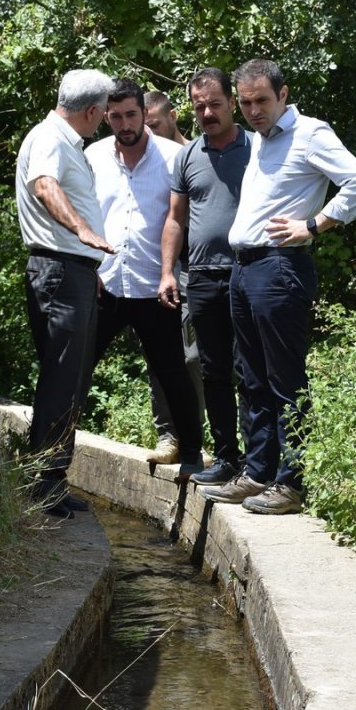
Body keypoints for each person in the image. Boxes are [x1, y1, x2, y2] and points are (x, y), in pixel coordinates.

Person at [202, 59, 356, 514]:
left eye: (262, 100)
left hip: (279, 269)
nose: (254, 110)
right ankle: (258, 473)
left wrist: (314, 225)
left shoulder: (311, 133)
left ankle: (292, 484)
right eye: (245, 102)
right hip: (245, 270)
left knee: (285, 381)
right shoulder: (261, 139)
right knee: (252, 377)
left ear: (283, 94)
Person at [85, 78, 206, 480]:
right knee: (77, 371)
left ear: (144, 113)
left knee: (174, 371)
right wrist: (90, 266)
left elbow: (181, 217)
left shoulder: (175, 156)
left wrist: (171, 272)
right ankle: (51, 462)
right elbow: (81, 214)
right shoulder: (92, 156)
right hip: (105, 283)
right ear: (106, 117)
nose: (124, 123)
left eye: (131, 114)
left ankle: (191, 455)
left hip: (156, 283)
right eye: (115, 116)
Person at [16, 69, 116, 518]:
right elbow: (44, 186)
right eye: (104, 114)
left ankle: (53, 478)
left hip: (71, 269)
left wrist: (85, 259)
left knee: (72, 378)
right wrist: (82, 231)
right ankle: (43, 480)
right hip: (59, 269)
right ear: (93, 111)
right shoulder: (50, 139)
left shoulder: (60, 139)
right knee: (62, 376)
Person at [158, 67, 251, 486]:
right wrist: (167, 272)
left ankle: (260, 458)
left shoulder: (257, 147)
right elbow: (176, 220)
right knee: (213, 372)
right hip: (202, 278)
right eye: (200, 106)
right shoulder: (188, 156)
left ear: (232, 102)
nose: (208, 113)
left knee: (252, 369)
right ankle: (227, 457)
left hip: (247, 271)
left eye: (215, 104)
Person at [144, 90, 204, 465]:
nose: (147, 133)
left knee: (195, 357)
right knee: (160, 354)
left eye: (154, 125)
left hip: (200, 268)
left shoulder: (200, 152)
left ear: (173, 115)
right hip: (159, 269)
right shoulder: (142, 158)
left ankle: (197, 435)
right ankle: (169, 436)